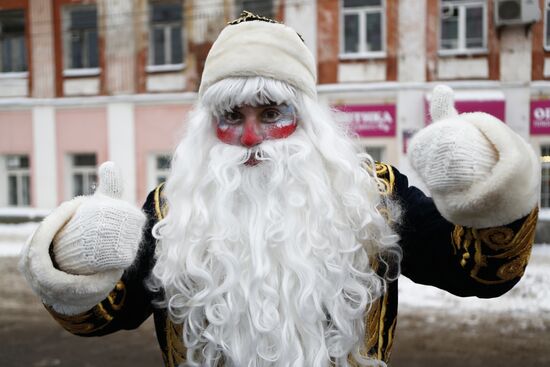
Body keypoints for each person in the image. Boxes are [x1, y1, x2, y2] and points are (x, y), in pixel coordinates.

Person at [19, 11, 540, 367]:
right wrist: (76, 260)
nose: (251, 137)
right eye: (232, 115)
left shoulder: (373, 197)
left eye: (272, 114)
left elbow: (481, 274)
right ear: (208, 124)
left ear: (308, 118)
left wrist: (485, 189)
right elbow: (101, 317)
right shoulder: (171, 212)